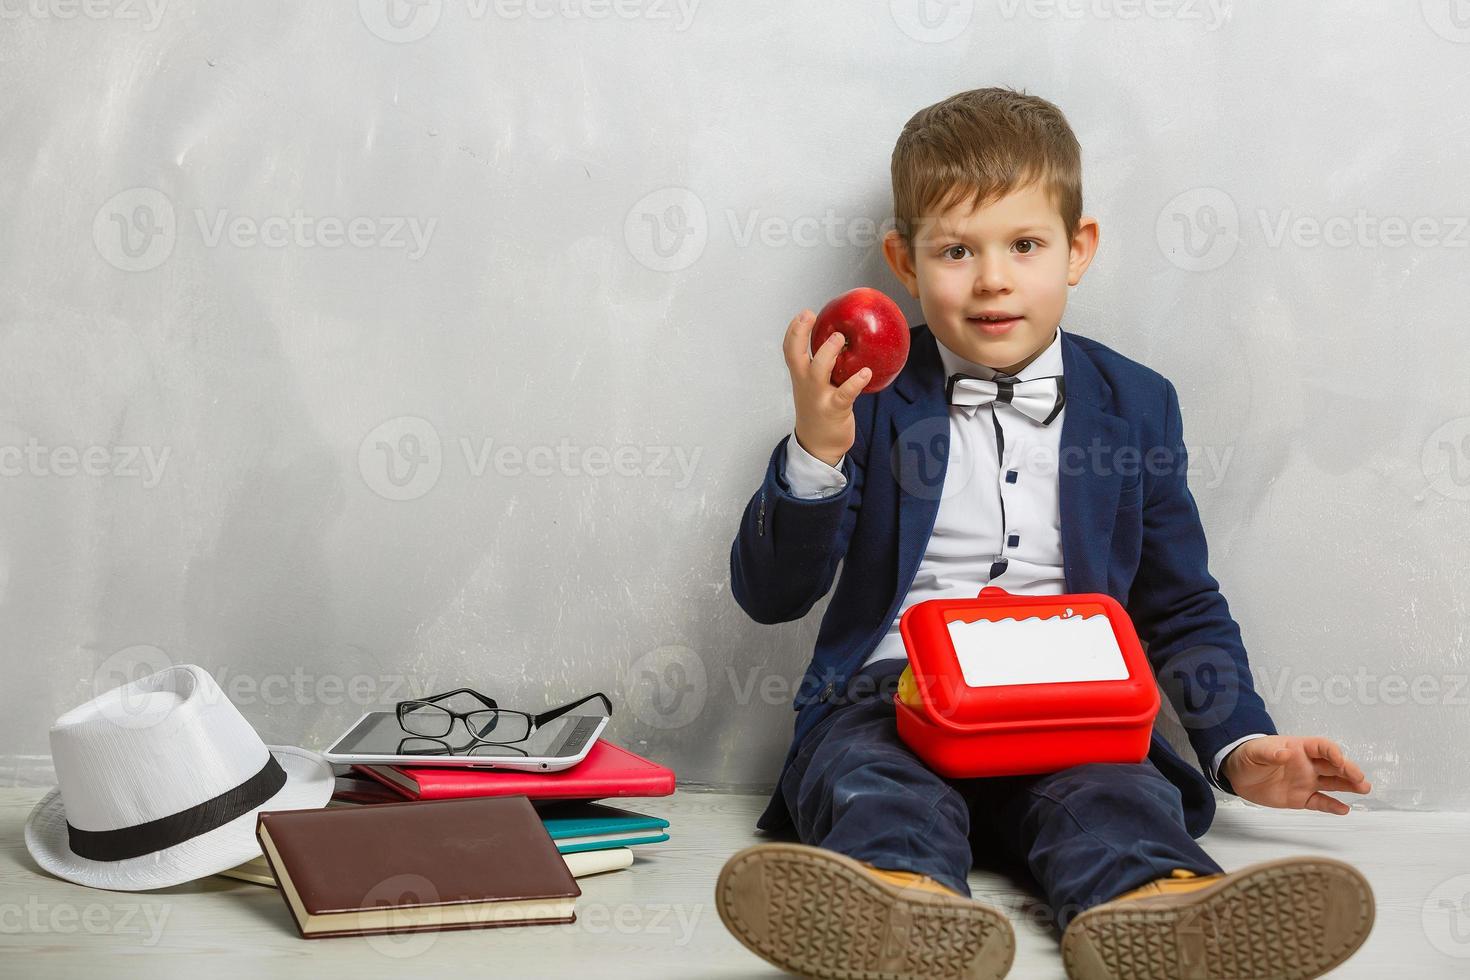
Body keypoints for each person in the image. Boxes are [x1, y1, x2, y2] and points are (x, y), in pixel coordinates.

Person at [715, 86, 1375, 980]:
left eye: (1025, 245)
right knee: (877, 787)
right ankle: (904, 910)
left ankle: (1158, 911)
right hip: (892, 696)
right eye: (957, 250)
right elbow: (770, 595)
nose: (993, 279)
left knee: (1116, 798)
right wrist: (816, 448)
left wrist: (1239, 746)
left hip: (1072, 703)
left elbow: (1179, 603)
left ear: (1078, 250)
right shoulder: (867, 401)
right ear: (904, 263)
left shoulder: (1137, 404)